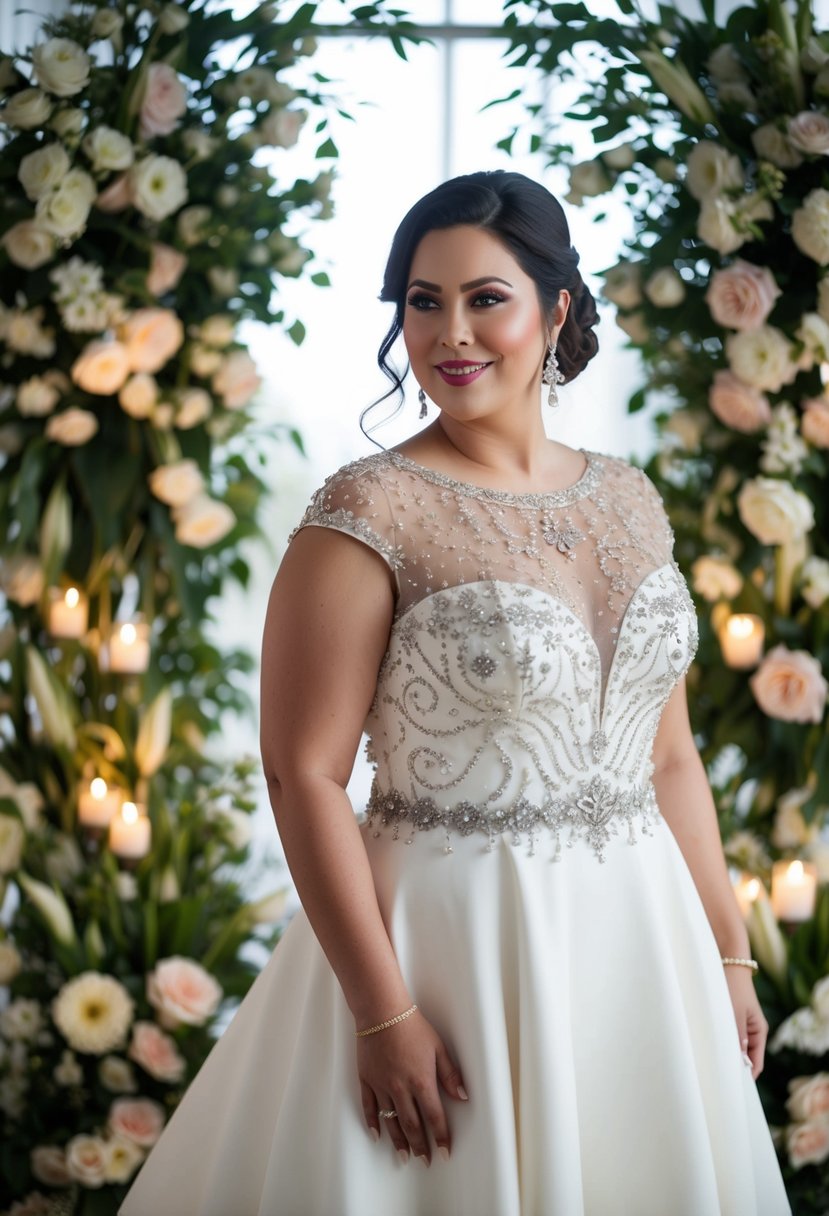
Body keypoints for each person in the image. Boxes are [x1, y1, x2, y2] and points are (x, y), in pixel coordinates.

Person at [121, 170, 792, 1216]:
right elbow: (302, 773)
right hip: (448, 947)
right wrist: (383, 1013)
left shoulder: (627, 496)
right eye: (422, 300)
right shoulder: (368, 508)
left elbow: (668, 758)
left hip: (637, 948)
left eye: (485, 296)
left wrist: (729, 950)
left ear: (554, 308)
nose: (450, 332)